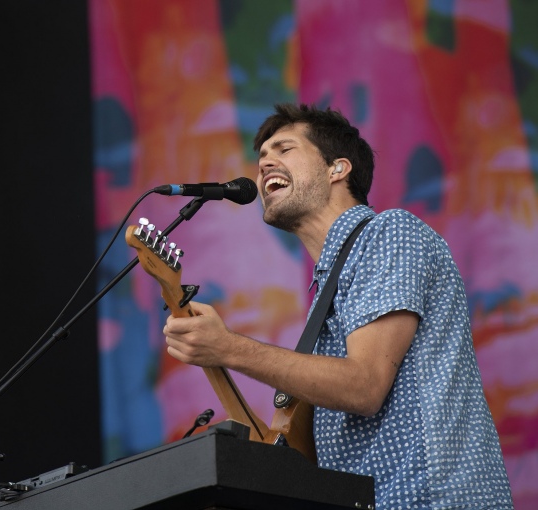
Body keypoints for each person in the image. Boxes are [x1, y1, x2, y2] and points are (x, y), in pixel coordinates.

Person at [162, 103, 514, 509]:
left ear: (337, 168)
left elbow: (364, 385)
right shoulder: (326, 298)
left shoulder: (386, 233)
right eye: (260, 158)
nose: (264, 165)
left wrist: (227, 348)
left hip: (431, 499)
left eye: (284, 149)